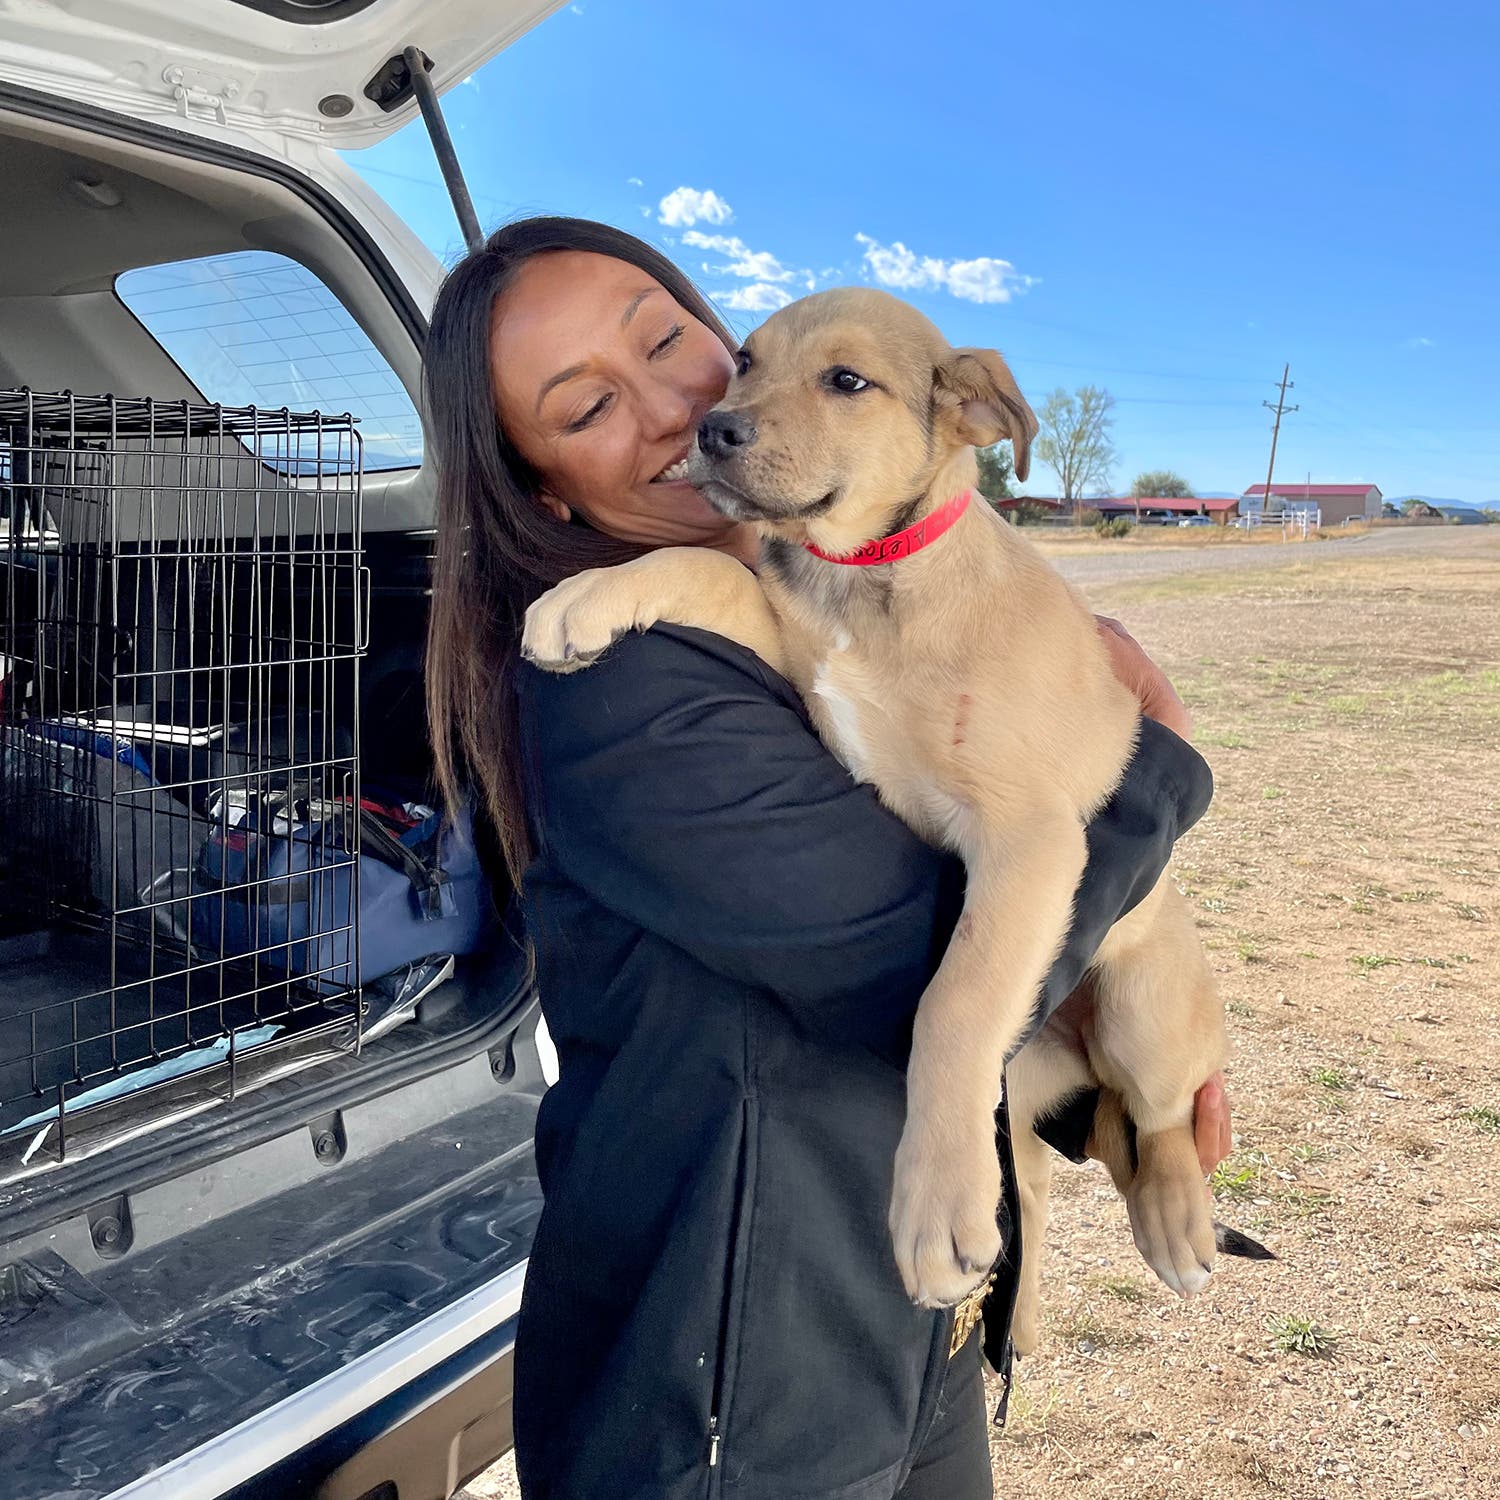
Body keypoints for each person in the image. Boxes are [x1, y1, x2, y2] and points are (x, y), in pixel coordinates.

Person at [423, 216, 1231, 1500]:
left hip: (898, 1323)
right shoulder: (620, 689)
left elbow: (1011, 921)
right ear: (545, 492)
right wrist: (1157, 759)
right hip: (733, 1391)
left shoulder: (812, 581)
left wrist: (1130, 1111)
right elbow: (901, 967)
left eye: (676, 345)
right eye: (588, 407)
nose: (700, 412)